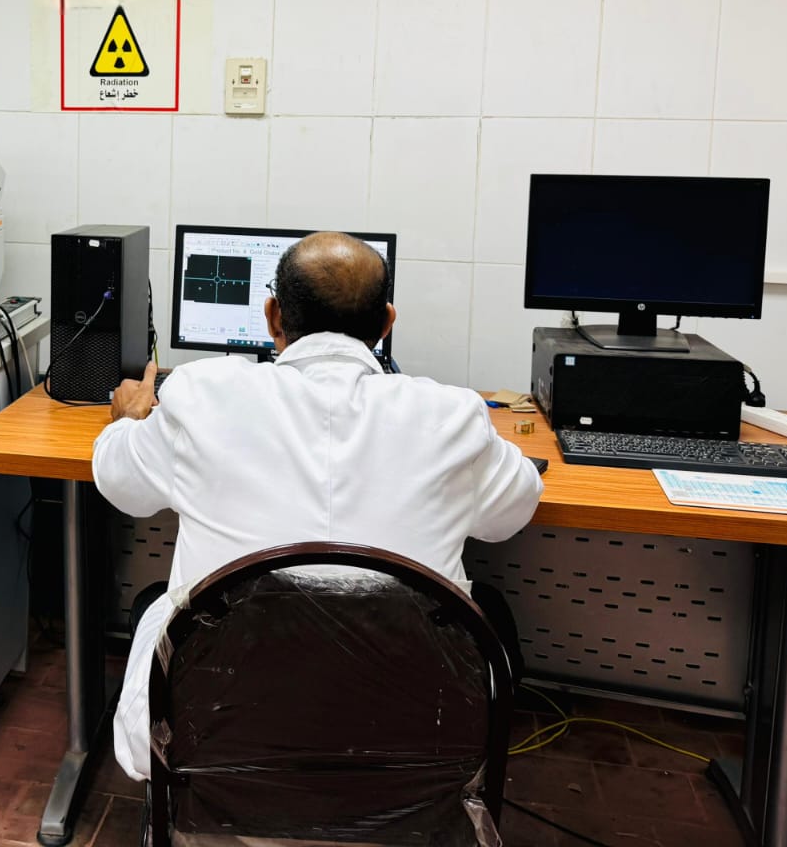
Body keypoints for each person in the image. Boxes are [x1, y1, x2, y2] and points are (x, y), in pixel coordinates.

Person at [92, 231, 543, 782]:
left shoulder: (201, 395)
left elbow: (121, 485)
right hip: (407, 747)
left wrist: (129, 421)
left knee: (156, 603)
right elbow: (510, 513)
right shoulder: (450, 415)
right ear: (387, 323)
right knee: (488, 608)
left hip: (210, 741)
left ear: (272, 317)